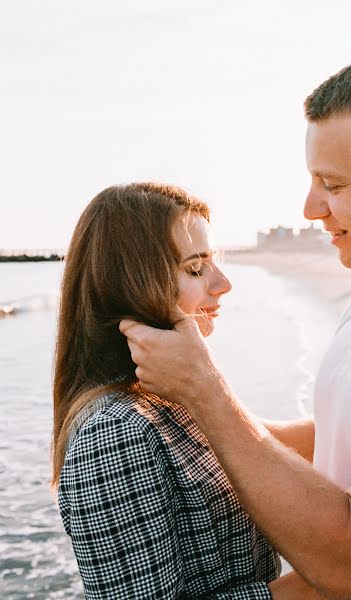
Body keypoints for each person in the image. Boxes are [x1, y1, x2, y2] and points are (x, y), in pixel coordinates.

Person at [120, 45, 351, 599]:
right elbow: (349, 434)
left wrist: (206, 392)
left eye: (334, 185)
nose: (309, 208)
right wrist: (177, 412)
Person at [52, 182, 281, 599]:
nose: (223, 283)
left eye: (214, 263)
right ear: (131, 284)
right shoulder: (113, 433)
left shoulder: (169, 394)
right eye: (196, 269)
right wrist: (316, 591)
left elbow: (268, 444)